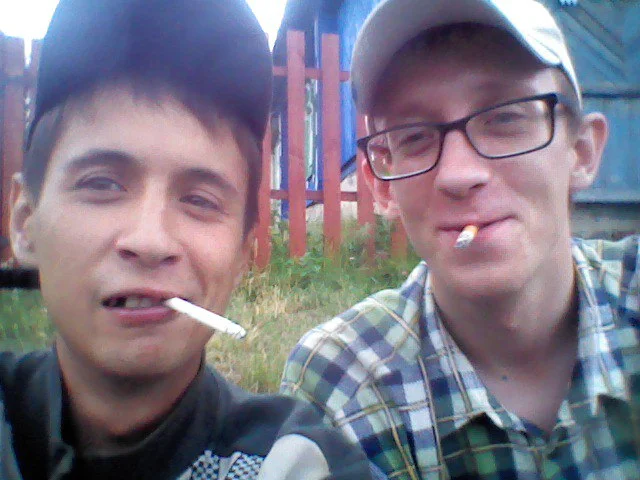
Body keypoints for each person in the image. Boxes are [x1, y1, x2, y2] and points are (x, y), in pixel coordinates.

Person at [0, 0, 372, 478]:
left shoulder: (290, 461)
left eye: (200, 200)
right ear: (25, 223)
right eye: (102, 184)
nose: (150, 241)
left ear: (242, 255)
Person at [281, 0, 639, 478]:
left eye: (505, 118)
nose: (458, 174)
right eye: (414, 136)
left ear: (582, 151)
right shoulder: (344, 384)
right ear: (382, 187)